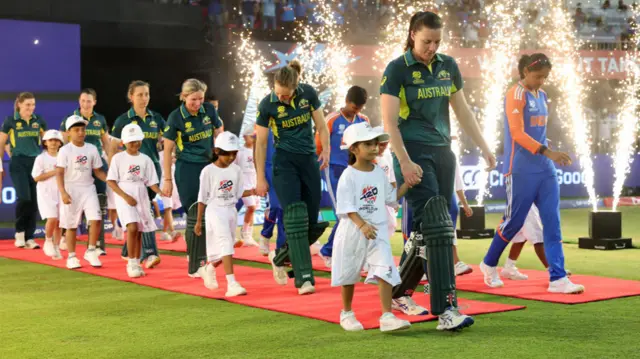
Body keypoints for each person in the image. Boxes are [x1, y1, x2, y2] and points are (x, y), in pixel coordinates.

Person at [380, 11, 496, 330]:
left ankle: (398, 291)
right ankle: (446, 310)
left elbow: (462, 110)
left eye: (437, 41)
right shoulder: (396, 69)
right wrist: (403, 160)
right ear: (412, 34)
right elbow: (390, 122)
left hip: (445, 152)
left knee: (424, 231)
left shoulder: (448, 66)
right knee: (439, 225)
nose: (432, 47)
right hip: (414, 153)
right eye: (426, 41)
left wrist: (484, 146)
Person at [480, 53, 584, 294]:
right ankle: (489, 263)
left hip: (545, 170)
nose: (541, 82)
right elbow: (517, 134)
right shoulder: (515, 94)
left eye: (545, 77)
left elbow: (538, 132)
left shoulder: (542, 95)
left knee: (552, 223)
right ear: (525, 71)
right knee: (513, 223)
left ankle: (558, 278)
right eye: (538, 76)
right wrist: (549, 152)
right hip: (520, 170)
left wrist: (548, 153)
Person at [255, 60, 331, 295]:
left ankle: (279, 258)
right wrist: (260, 177)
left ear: (295, 88)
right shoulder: (267, 104)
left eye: (286, 95)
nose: (282, 99)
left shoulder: (308, 93)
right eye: (279, 94)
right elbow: (261, 143)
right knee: (295, 217)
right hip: (284, 164)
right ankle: (304, 278)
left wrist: (326, 150)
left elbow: (321, 126)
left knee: (312, 223)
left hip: (308, 161)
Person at [332, 122, 412, 332]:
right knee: (349, 273)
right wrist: (362, 225)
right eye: (368, 144)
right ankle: (346, 312)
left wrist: (407, 184)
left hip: (376, 231)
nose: (375, 148)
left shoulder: (379, 172)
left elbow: (389, 198)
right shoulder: (348, 176)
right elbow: (347, 206)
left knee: (385, 267)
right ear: (353, 149)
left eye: (375, 143)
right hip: (354, 230)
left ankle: (387, 316)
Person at [162, 79, 224, 280]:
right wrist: (167, 179)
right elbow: (167, 150)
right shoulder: (175, 117)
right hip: (187, 168)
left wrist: (220, 152)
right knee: (194, 212)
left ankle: (202, 255)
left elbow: (219, 130)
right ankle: (195, 262)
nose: (197, 103)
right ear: (183, 97)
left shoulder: (209, 110)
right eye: (193, 99)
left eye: (200, 99)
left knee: (209, 212)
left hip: (209, 167)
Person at [111, 81, 165, 269]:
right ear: (131, 97)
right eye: (140, 94)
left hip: (152, 170)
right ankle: (149, 253)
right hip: (130, 176)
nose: (144, 98)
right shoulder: (122, 121)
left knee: (143, 210)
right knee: (145, 211)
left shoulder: (156, 118)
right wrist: (116, 170)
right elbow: (113, 147)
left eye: (147, 94)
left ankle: (128, 251)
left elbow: (165, 141)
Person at [316, 85, 370, 268]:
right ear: (347, 101)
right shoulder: (331, 119)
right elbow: (318, 145)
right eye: (355, 107)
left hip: (355, 172)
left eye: (360, 108)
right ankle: (327, 250)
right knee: (343, 214)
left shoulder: (363, 121)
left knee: (360, 214)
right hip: (333, 171)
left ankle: (355, 255)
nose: (357, 111)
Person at [194, 131, 254, 296]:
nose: (230, 157)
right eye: (226, 153)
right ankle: (232, 283)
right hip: (215, 210)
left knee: (226, 248)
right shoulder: (208, 171)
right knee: (226, 244)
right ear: (217, 151)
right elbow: (202, 198)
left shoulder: (236, 170)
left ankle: (209, 268)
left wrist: (256, 190)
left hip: (231, 211)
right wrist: (199, 221)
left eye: (233, 153)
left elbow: (240, 192)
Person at [60, 89, 112, 255]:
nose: (86, 104)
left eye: (89, 101)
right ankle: (65, 236)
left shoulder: (100, 120)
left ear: (94, 102)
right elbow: (63, 141)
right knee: (73, 210)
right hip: (75, 166)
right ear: (79, 101)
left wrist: (112, 164)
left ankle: (98, 245)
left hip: (95, 162)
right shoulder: (70, 119)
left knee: (99, 203)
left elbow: (106, 143)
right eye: (83, 100)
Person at [107, 123, 162, 278]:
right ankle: (131, 264)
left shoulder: (146, 159)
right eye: (132, 141)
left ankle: (136, 262)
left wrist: (161, 191)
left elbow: (151, 182)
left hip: (141, 194)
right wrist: (125, 197)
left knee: (139, 230)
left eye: (138, 140)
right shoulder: (118, 158)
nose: (135, 144)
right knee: (131, 228)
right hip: (124, 194)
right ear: (123, 142)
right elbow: (111, 181)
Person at [56, 115, 107, 269]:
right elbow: (59, 173)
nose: (80, 132)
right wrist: (63, 193)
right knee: (71, 225)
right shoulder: (65, 150)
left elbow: (98, 171)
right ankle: (71, 257)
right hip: (71, 189)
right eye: (76, 130)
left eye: (82, 129)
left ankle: (91, 250)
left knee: (96, 219)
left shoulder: (91, 148)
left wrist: (112, 181)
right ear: (69, 132)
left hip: (88, 188)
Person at [0, 92, 48, 249]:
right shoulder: (10, 121)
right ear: (19, 104)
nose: (31, 108)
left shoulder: (38, 120)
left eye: (33, 104)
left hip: (36, 163)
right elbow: (2, 142)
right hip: (18, 163)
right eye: (28, 105)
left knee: (34, 201)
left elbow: (47, 141)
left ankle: (30, 237)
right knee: (24, 197)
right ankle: (20, 232)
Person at [32, 130, 64, 260]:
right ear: (45, 142)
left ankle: (56, 247)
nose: (53, 143)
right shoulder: (41, 158)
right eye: (51, 140)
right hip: (46, 193)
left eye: (56, 141)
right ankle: (48, 241)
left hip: (61, 191)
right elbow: (37, 177)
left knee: (59, 222)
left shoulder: (63, 156)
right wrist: (55, 172)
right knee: (52, 218)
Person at [258, 129, 286, 256]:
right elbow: (257, 151)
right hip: (269, 169)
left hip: (287, 169)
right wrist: (260, 177)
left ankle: (281, 248)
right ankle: (265, 234)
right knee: (274, 206)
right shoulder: (263, 126)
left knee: (284, 209)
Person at [233, 126, 260, 247]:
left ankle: (249, 234)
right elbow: (233, 167)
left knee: (253, 208)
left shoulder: (258, 150)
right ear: (244, 137)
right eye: (251, 137)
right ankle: (244, 232)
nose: (253, 139)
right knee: (252, 207)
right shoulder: (240, 152)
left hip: (255, 181)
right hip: (244, 183)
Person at [158, 147, 182, 242]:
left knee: (170, 208)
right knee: (168, 208)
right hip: (164, 183)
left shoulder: (173, 154)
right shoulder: (160, 155)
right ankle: (173, 231)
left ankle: (164, 232)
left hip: (173, 185)